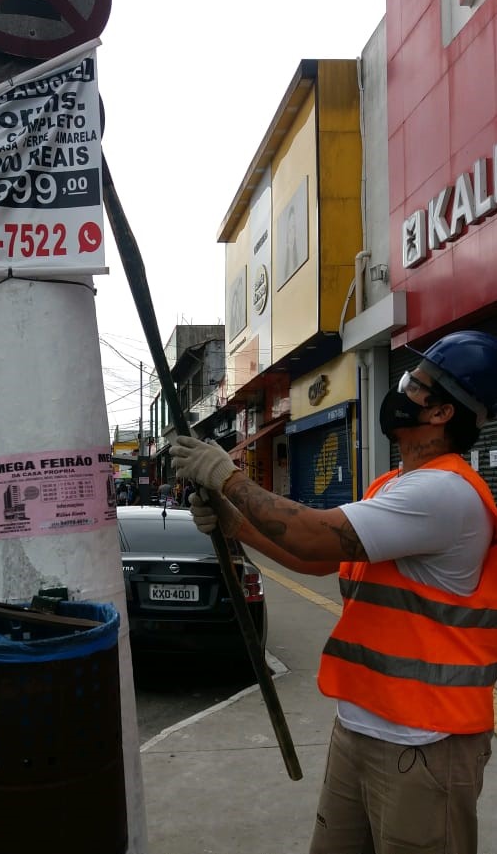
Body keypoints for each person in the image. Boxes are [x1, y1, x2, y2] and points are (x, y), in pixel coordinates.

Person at [170, 330, 497, 854]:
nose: (403, 388)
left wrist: (228, 478)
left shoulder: (445, 492)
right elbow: (316, 558)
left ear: (441, 413)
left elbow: (310, 533)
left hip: (425, 742)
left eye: (415, 383)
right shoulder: (394, 486)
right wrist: (235, 525)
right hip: (362, 730)